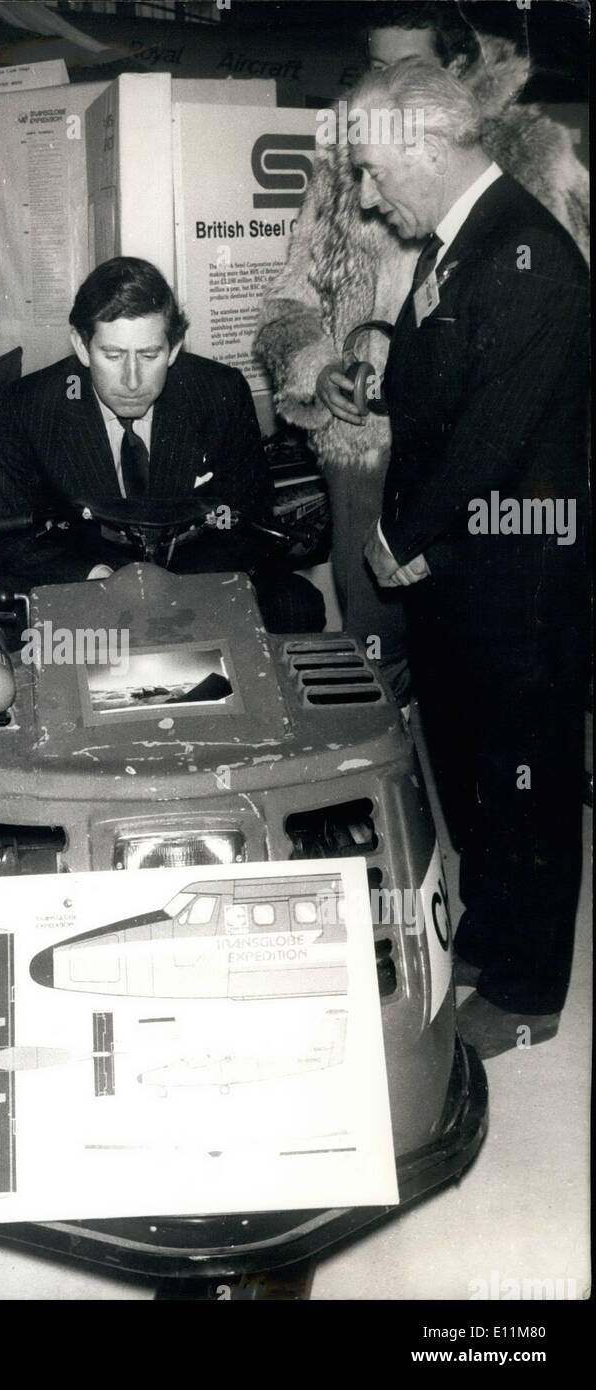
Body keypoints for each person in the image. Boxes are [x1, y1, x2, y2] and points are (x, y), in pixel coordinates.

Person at [345, 61, 588, 1059]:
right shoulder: (463, 244)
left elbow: (493, 433)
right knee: (475, 770)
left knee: (525, 778)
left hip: (516, 574)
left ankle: (528, 992)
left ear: (421, 146)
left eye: (369, 170)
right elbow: (445, 395)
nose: (366, 194)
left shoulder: (530, 256)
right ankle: (488, 941)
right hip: (459, 568)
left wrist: (402, 538)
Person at [255, 2, 588, 703]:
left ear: (455, 73)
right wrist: (319, 374)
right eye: (377, 66)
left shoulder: (532, 158)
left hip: (488, 470)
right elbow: (286, 306)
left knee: (482, 660)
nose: (387, 81)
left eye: (409, 66)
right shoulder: (345, 169)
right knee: (373, 654)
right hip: (366, 451)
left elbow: (557, 338)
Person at [0, 257, 324, 634]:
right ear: (81, 347)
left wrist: (169, 587)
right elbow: (7, 538)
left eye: (149, 355)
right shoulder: (25, 407)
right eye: (112, 356)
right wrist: (99, 578)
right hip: (83, 583)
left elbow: (249, 520)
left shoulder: (220, 392)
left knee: (295, 603)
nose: (132, 380)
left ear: (174, 348)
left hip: (192, 578)